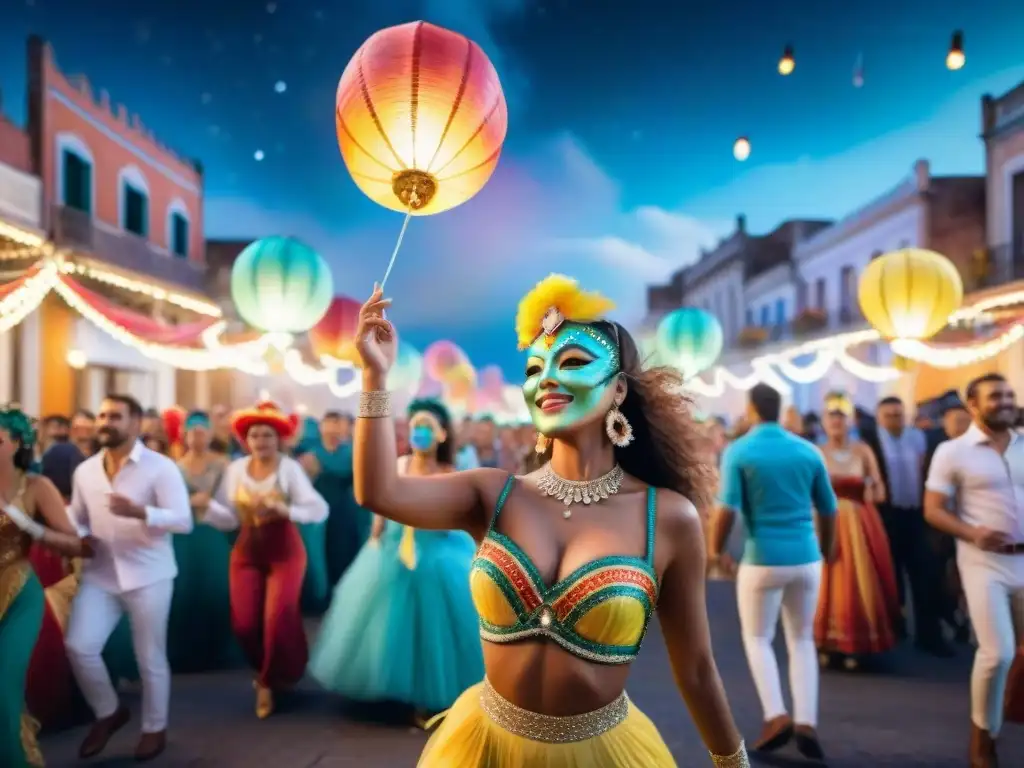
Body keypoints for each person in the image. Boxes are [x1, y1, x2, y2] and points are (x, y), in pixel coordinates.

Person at [352, 276, 747, 767]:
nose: (547, 381)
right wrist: (374, 377)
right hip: (484, 748)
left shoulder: (666, 517)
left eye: (574, 362)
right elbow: (378, 491)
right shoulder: (492, 494)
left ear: (619, 388)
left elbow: (695, 668)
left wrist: (733, 762)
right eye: (536, 368)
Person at [310, 398, 483, 723]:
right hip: (392, 548)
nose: (420, 433)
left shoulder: (450, 473)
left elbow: (457, 518)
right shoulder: (399, 465)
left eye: (427, 428)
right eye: (416, 426)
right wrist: (378, 529)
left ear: (442, 435)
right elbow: (380, 505)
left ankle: (429, 699)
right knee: (385, 618)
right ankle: (386, 690)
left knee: (434, 622)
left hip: (436, 550)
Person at [708, 383, 837, 760]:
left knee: (759, 638)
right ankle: (807, 720)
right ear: (779, 409)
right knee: (802, 640)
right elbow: (830, 509)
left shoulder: (740, 450)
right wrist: (826, 550)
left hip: (762, 557)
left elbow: (726, 509)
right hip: (807, 557)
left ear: (751, 409)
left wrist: (717, 551)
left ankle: (776, 714)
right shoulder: (808, 450)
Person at [63, 394, 193, 762]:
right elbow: (78, 514)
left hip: (149, 573)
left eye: (115, 416)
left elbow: (183, 520)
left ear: (136, 423)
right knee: (79, 646)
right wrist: (77, 533)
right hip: (100, 573)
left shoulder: (161, 468)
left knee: (149, 656)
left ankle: (154, 728)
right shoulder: (85, 470)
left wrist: (141, 512)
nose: (105, 422)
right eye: (102, 415)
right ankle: (108, 712)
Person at [202, 401, 328, 719]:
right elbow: (228, 519)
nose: (261, 441)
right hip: (246, 552)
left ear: (278, 439)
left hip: (285, 551)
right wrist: (204, 507)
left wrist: (288, 510)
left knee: (277, 617)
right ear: (246, 439)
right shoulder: (234, 470)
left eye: (267, 435)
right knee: (244, 624)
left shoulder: (289, 469)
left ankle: (268, 684)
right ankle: (269, 671)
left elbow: (318, 509)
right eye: (255, 435)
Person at [924, 373, 1024, 767]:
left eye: (1009, 394)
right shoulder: (952, 452)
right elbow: (933, 509)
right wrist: (972, 533)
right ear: (973, 406)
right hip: (983, 562)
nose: (1005, 401)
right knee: (997, 653)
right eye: (995, 396)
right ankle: (983, 738)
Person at [0, 407, 93, 767]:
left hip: (18, 596)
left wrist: (27, 524)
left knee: (4, 693)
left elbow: (75, 545)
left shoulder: (36, 486)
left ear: (18, 443)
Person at [814, 393, 899, 669]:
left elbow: (880, 489)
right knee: (826, 578)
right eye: (831, 418)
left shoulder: (863, 450)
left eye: (841, 418)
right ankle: (827, 641)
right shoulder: (818, 452)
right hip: (826, 519)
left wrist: (870, 489)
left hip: (859, 523)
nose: (837, 423)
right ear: (824, 423)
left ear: (849, 421)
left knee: (859, 577)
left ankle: (858, 643)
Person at [862, 396, 950, 655]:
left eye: (898, 414)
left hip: (918, 517)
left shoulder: (921, 438)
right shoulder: (870, 442)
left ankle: (929, 634)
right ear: (878, 418)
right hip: (886, 517)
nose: (894, 419)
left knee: (926, 576)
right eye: (888, 415)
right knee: (890, 577)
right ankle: (893, 630)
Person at [167, 411, 236, 672]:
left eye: (202, 432)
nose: (197, 437)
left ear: (210, 434)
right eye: (192, 432)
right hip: (184, 535)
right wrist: (188, 503)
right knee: (184, 590)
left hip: (213, 531)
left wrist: (211, 505)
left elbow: (232, 502)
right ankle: (183, 652)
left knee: (216, 587)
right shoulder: (175, 467)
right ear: (185, 435)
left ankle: (217, 650)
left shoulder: (223, 465)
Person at [297, 411, 370, 592]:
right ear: (321, 427)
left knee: (343, 552)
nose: (332, 429)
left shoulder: (352, 452)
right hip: (318, 514)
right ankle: (320, 594)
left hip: (345, 512)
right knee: (319, 554)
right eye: (328, 424)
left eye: (337, 424)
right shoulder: (310, 455)